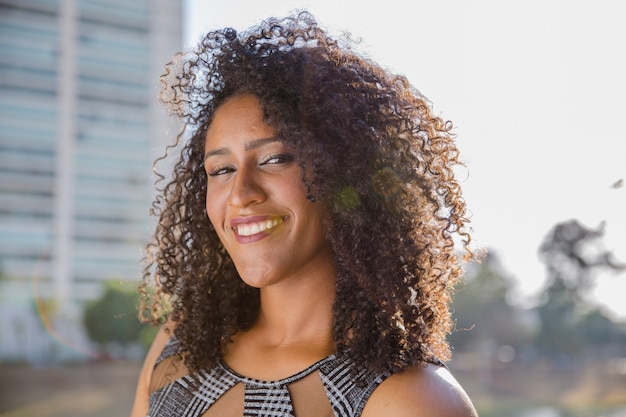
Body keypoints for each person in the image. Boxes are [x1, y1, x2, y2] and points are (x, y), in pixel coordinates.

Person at [131, 11, 478, 417]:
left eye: (276, 158)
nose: (241, 194)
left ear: (345, 175)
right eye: (222, 169)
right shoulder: (179, 346)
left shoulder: (411, 400)